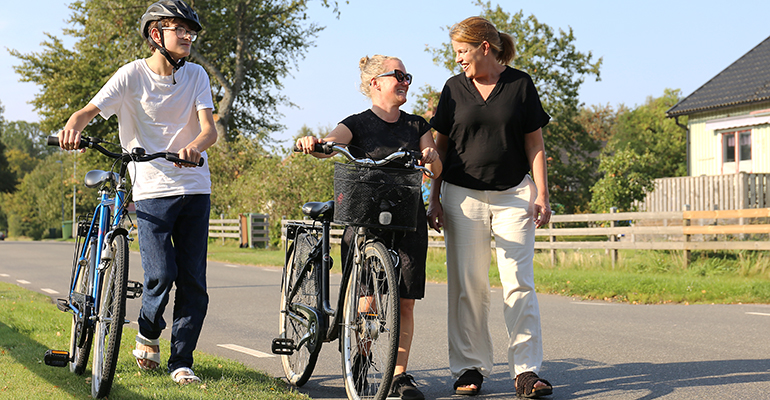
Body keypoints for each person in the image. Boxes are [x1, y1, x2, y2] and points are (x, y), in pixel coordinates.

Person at [56, 0, 217, 385]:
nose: (188, 36)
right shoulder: (131, 76)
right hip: (151, 188)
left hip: (195, 185)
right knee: (161, 273)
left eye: (190, 31)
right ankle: (147, 332)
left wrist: (195, 145)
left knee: (193, 281)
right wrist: (72, 127)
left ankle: (182, 362)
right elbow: (87, 111)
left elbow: (209, 129)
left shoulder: (196, 75)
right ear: (156, 34)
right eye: (180, 29)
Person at [296, 55, 442, 400]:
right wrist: (314, 144)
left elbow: (432, 155)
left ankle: (400, 376)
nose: (405, 81)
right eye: (399, 76)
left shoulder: (416, 125)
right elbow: (332, 144)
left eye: (408, 76)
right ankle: (360, 356)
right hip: (365, 219)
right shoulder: (356, 124)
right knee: (366, 300)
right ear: (375, 83)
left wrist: (431, 157)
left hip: (407, 219)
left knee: (406, 302)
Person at [426, 16, 554, 398]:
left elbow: (535, 144)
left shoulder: (520, 84)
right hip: (461, 197)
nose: (458, 60)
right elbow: (440, 147)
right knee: (468, 286)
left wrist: (542, 194)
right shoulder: (453, 89)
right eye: (455, 53)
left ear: (485, 47)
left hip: (514, 194)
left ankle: (526, 371)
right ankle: (470, 367)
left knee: (518, 282)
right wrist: (433, 197)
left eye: (462, 52)